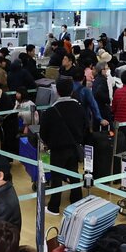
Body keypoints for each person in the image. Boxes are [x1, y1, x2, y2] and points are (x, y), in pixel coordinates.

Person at [38, 77, 88, 214]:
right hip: (74, 147)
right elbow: (85, 127)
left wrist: (50, 143)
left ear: (57, 92)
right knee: (74, 174)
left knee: (56, 177)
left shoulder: (51, 111)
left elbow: (43, 132)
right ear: (71, 90)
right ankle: (77, 202)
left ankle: (54, 206)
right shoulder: (79, 108)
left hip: (57, 149)